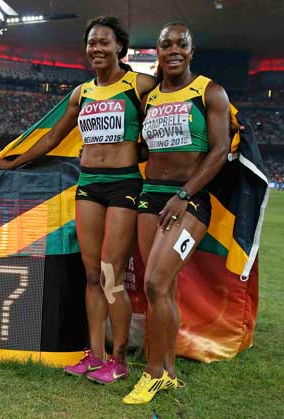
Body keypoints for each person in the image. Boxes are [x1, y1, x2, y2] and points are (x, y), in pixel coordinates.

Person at [0, 16, 156, 384]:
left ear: (120, 47)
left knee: (110, 273)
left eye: (104, 42)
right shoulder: (81, 93)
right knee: (90, 274)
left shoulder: (141, 85)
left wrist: (142, 152)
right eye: (91, 43)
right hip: (89, 185)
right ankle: (94, 354)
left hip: (123, 186)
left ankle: (118, 359)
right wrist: (16, 161)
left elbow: (175, 110)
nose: (97, 49)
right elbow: (53, 137)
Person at [122, 23, 231, 404]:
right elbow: (145, 150)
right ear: (157, 51)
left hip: (190, 201)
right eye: (165, 44)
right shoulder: (149, 97)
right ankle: (167, 371)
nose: (172, 50)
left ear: (191, 49)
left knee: (154, 282)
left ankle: (152, 375)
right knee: (159, 289)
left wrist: (185, 194)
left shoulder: (209, 91)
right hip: (149, 197)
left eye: (180, 44)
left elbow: (219, 151)